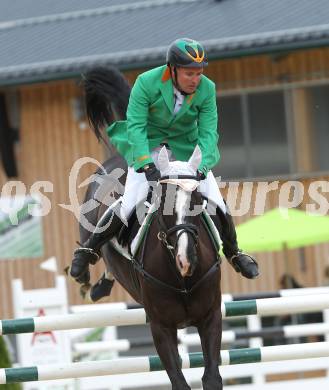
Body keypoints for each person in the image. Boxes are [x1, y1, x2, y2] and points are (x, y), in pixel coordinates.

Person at [70, 37, 259, 285]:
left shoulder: (207, 89)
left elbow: (209, 132)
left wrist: (202, 166)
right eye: (190, 73)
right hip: (149, 146)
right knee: (130, 202)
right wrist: (144, 162)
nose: (196, 79)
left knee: (216, 201)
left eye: (199, 73)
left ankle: (234, 252)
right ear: (172, 69)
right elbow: (136, 126)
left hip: (186, 151)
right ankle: (89, 249)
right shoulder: (146, 83)